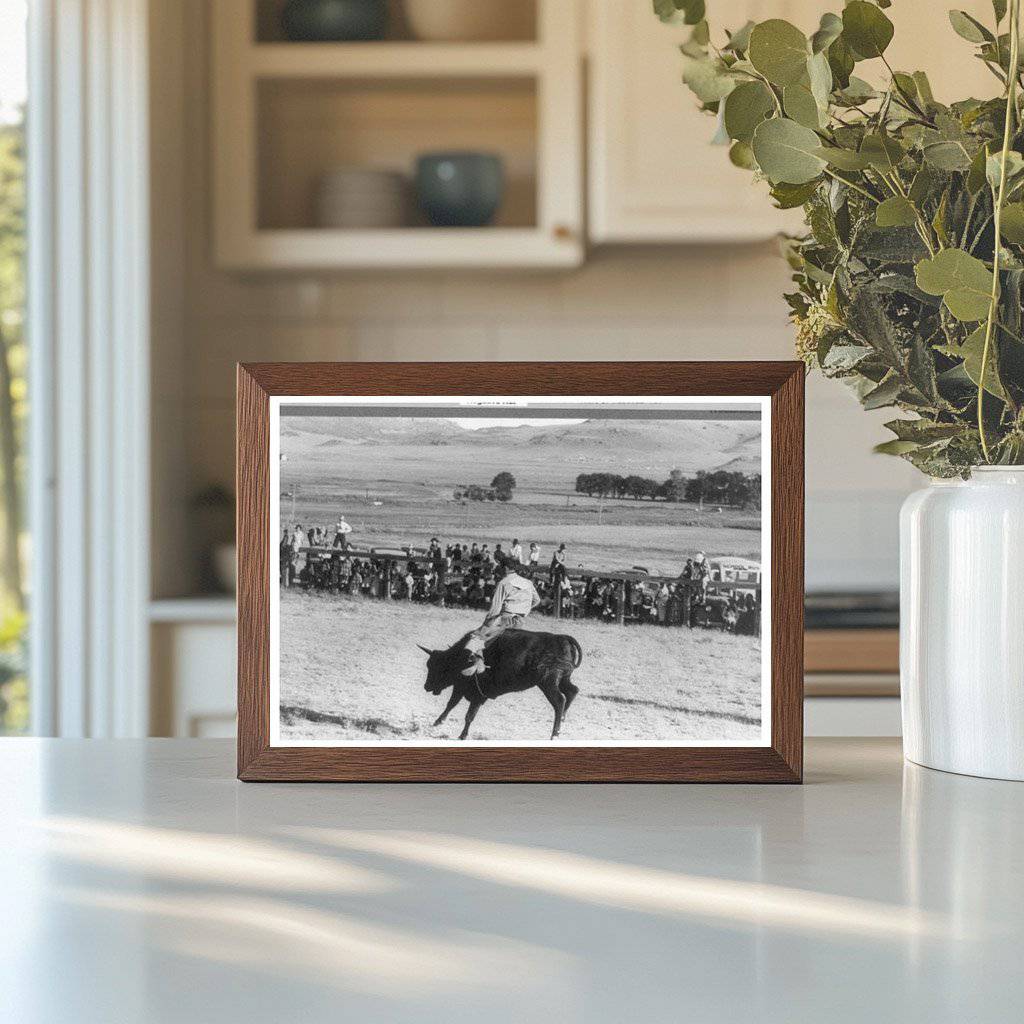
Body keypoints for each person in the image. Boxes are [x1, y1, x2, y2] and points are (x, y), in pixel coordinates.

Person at [462, 556, 541, 677]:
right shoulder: (528, 583)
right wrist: (524, 609)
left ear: (505, 568)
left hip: (504, 620)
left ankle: (479, 664)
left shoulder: (503, 583)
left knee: (475, 637)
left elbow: (495, 608)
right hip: (520, 621)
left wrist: (486, 624)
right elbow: (537, 600)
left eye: (500, 567)